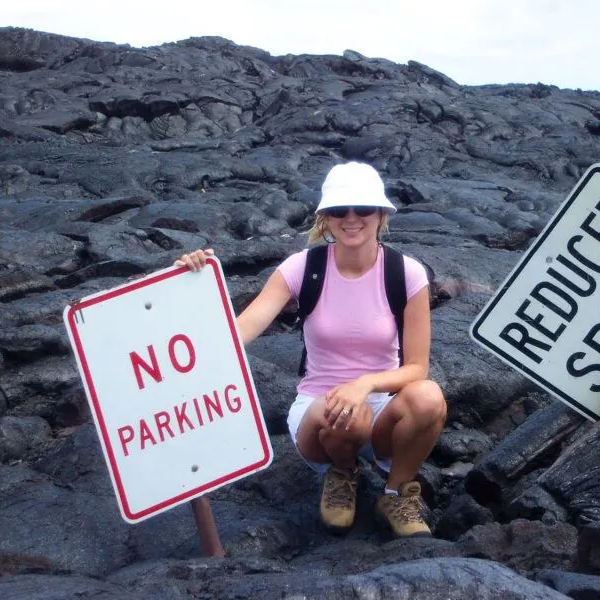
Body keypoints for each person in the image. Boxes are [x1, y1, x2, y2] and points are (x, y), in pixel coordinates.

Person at [175, 162, 447, 538]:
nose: (351, 219)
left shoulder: (407, 273)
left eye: (362, 209)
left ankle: (395, 492)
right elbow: (243, 329)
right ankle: (342, 473)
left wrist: (365, 384)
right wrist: (192, 286)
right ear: (325, 218)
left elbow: (417, 368)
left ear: (381, 214)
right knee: (345, 415)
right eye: (339, 210)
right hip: (320, 414)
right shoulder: (303, 268)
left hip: (382, 407)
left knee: (429, 397)